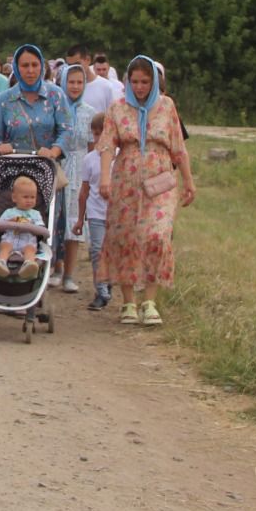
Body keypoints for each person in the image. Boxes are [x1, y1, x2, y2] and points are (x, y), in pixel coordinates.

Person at [97, 56, 196, 327]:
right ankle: (129, 301)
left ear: (154, 82)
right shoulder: (117, 108)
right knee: (125, 236)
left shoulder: (166, 106)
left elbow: (178, 146)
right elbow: (107, 145)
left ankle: (150, 300)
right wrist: (104, 178)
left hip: (160, 179)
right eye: (135, 82)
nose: (140, 87)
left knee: (157, 235)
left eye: (145, 82)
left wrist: (189, 181)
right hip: (126, 181)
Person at [55, 63, 94, 294]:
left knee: (74, 221)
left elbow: (91, 146)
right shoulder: (56, 107)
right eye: (71, 82)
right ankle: (56, 268)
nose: (75, 86)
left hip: (79, 168)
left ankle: (69, 274)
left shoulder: (89, 112)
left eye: (80, 82)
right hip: (59, 166)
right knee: (55, 218)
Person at [74, 112, 113, 310]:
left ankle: (108, 282)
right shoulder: (89, 159)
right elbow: (84, 192)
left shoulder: (119, 158)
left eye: (102, 134)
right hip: (96, 212)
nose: (99, 139)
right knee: (97, 250)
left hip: (115, 213)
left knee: (113, 251)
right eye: (95, 134)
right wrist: (80, 219)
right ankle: (101, 290)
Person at [0, 175, 46, 278]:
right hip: (10, 240)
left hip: (27, 241)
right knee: (4, 247)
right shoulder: (9, 212)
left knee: (30, 250)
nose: (29, 200)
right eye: (26, 197)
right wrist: (9, 222)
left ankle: (28, 265)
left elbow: (40, 229)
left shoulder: (35, 214)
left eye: (32, 197)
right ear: (14, 198)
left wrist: (30, 226)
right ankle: (1, 263)